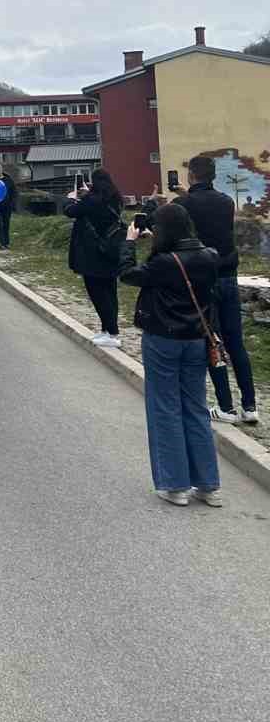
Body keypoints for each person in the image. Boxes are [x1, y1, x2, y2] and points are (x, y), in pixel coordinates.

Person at [118, 203, 222, 507]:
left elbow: (127, 274)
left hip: (163, 337)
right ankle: (208, 484)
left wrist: (129, 242)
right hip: (197, 339)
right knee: (196, 408)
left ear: (162, 230)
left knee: (165, 407)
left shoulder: (163, 262)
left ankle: (175, 485)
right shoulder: (210, 256)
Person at [179, 154, 259, 425]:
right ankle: (250, 406)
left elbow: (186, 221)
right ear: (213, 175)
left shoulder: (184, 204)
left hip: (203, 280)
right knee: (236, 342)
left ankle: (226, 407)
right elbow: (210, 216)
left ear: (191, 175)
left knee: (212, 341)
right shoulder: (226, 202)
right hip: (228, 277)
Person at [65, 168, 125, 348]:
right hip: (111, 251)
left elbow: (70, 211)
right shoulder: (116, 199)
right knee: (110, 293)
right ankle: (108, 330)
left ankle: (112, 333)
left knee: (98, 295)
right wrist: (87, 195)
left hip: (92, 255)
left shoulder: (91, 200)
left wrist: (71, 197)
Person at [0, 164, 17, 249]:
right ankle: (0, 242)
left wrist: (12, 204)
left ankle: (6, 242)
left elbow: (13, 192)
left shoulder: (8, 180)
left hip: (7, 206)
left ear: (1, 169)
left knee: (6, 224)